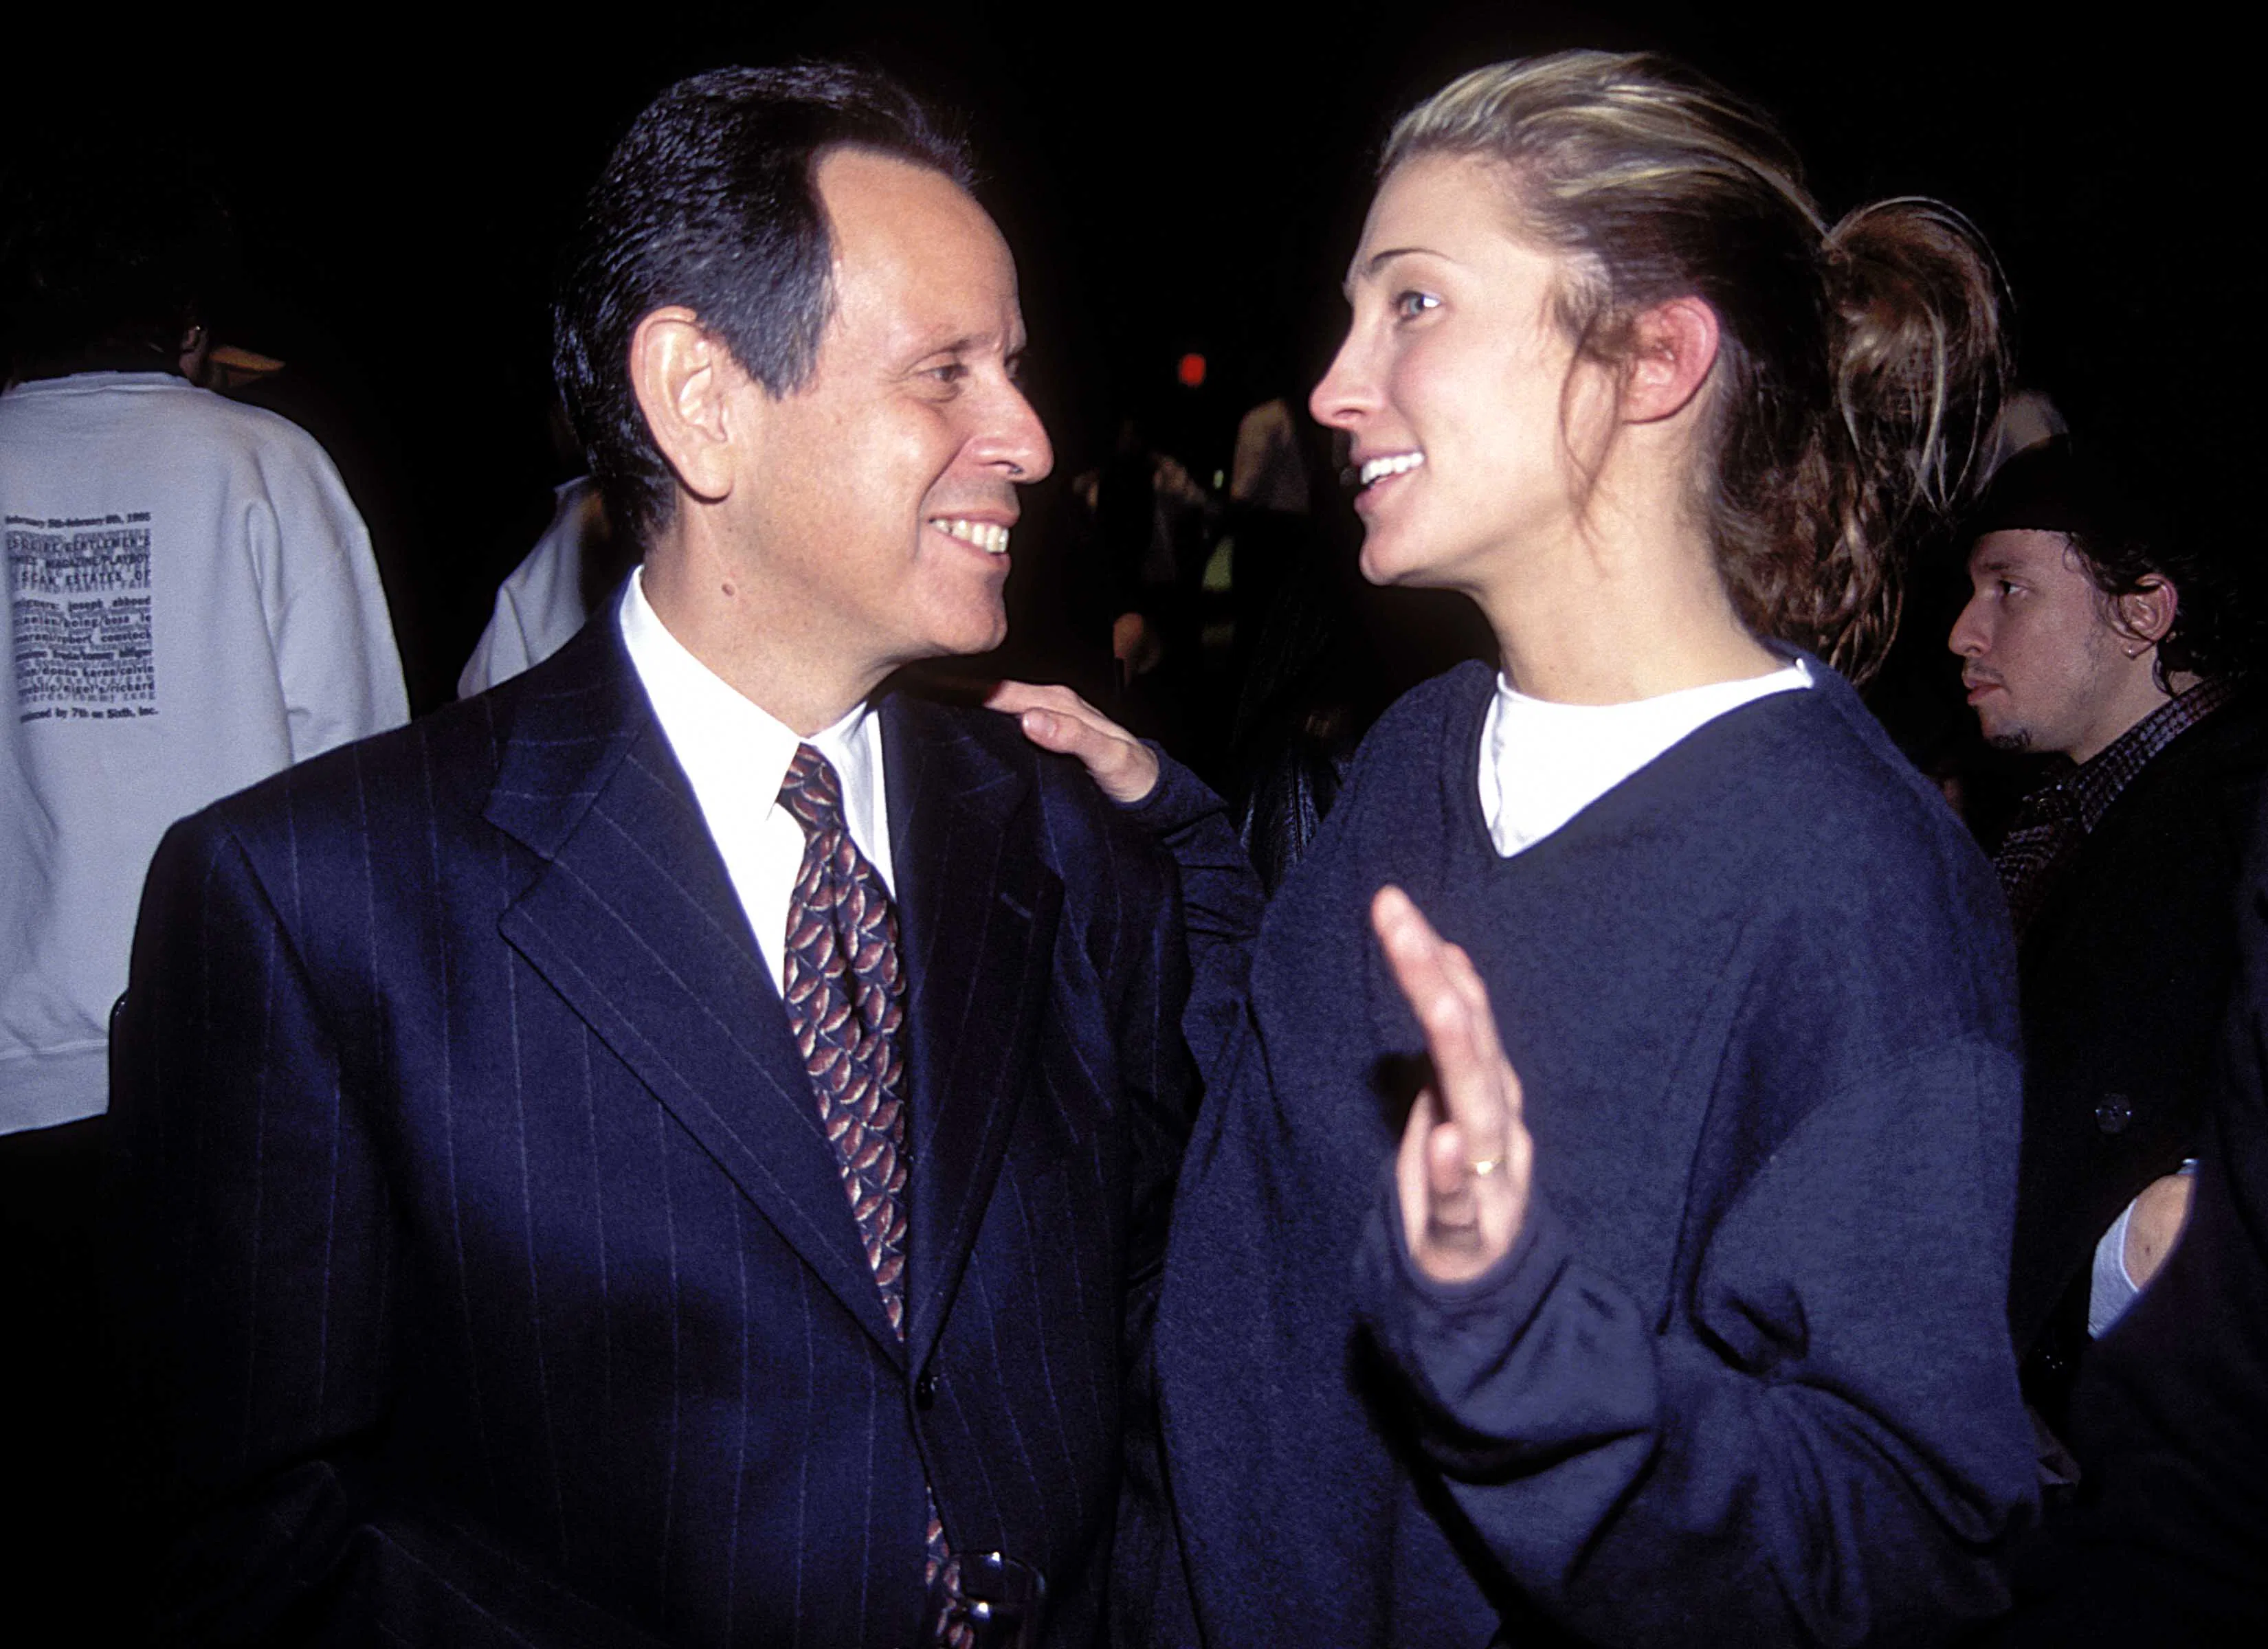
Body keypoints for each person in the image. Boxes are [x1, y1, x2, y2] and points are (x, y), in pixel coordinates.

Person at [110, 65, 1197, 1648]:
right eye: (944, 372)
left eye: (1012, 367)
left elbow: (1154, 1341)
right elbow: (261, 1538)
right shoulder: (316, 908)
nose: (1026, 436)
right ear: (701, 397)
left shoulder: (1076, 845)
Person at [999, 49, 2034, 1647]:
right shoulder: (1422, 750)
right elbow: (1280, 1128)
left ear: (1651, 358)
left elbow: (1902, 1553)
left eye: (1413, 304)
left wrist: (1537, 1355)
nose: (1338, 386)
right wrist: (1175, 834)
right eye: (1353, 315)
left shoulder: (1857, 890)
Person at [1, 139, 405, 1623]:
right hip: (222, 1098)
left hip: (9, 1095)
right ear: (186, 324)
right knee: (213, 1532)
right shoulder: (258, 462)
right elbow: (362, 780)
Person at [1948, 436, 2265, 1420]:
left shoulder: (2241, 820)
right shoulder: (2057, 812)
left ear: (2142, 613)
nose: (1965, 631)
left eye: (2011, 588)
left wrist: (2126, 1265)